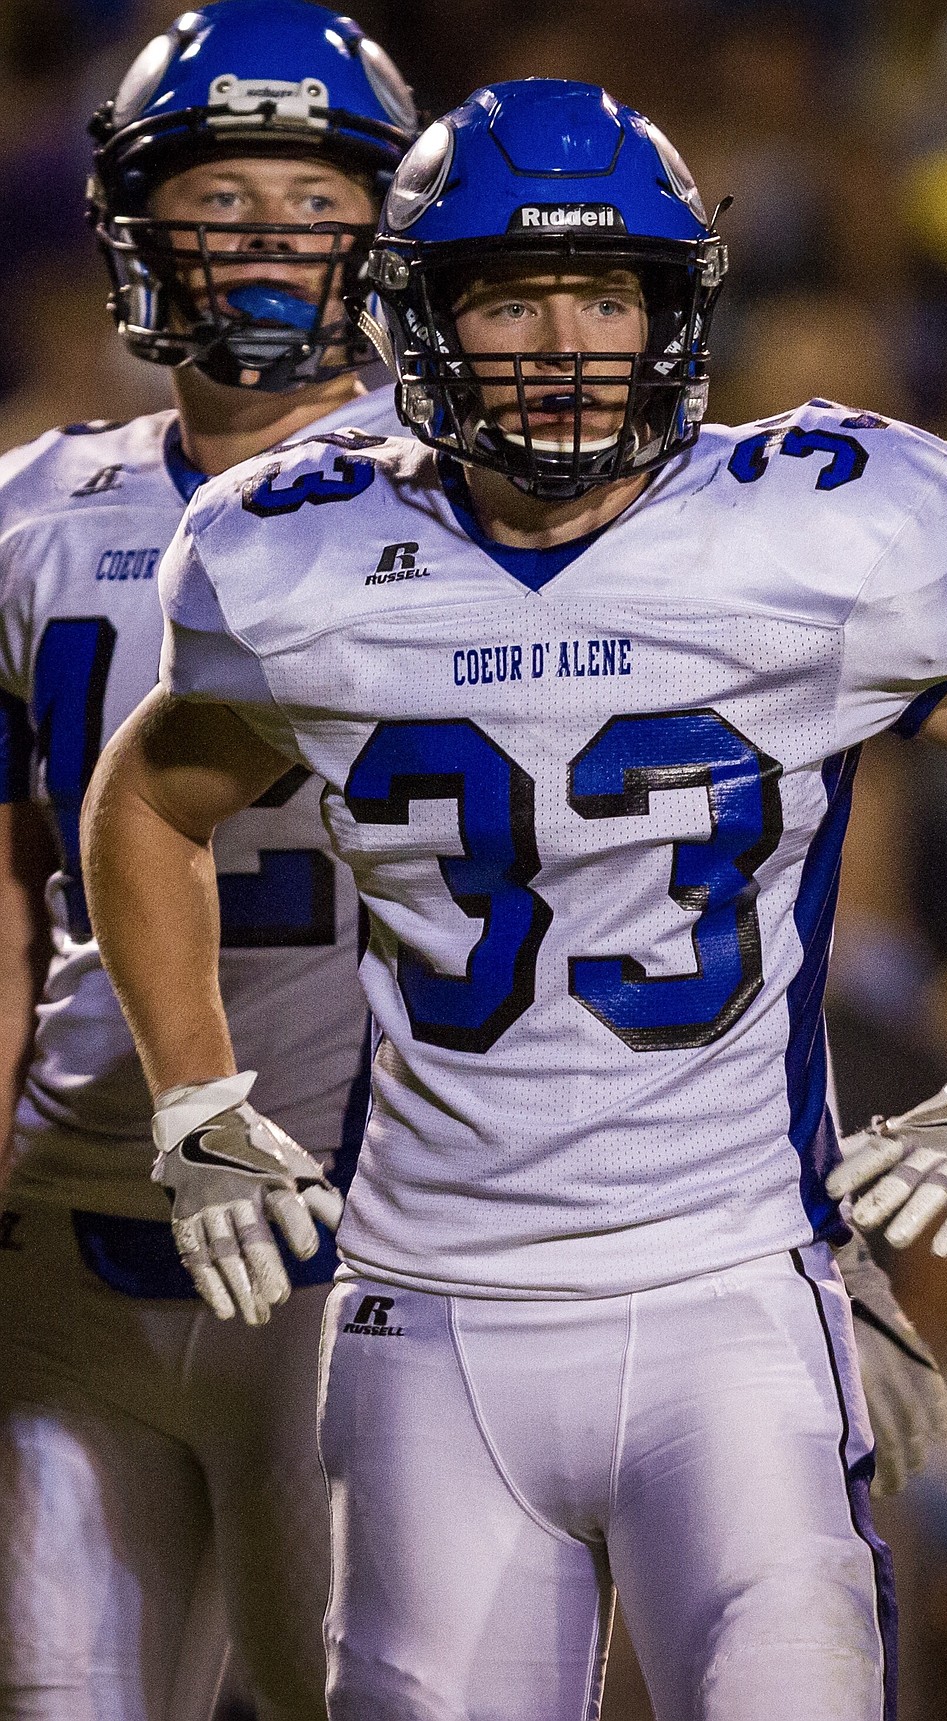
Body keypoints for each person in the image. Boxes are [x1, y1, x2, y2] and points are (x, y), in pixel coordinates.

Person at [80, 78, 947, 1720]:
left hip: (733, 1298)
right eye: (512, 296)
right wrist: (194, 1090)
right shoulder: (295, 552)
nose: (567, 340)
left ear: (676, 310)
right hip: (427, 1310)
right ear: (417, 317)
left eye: (609, 295)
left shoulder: (813, 531)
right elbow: (146, 800)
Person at [0, 4, 417, 1716]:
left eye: (308, 198)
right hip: (76, 1227)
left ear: (383, 232)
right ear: (136, 223)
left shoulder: (469, 506)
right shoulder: (32, 509)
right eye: (215, 193)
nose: (258, 237)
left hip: (371, 1235)